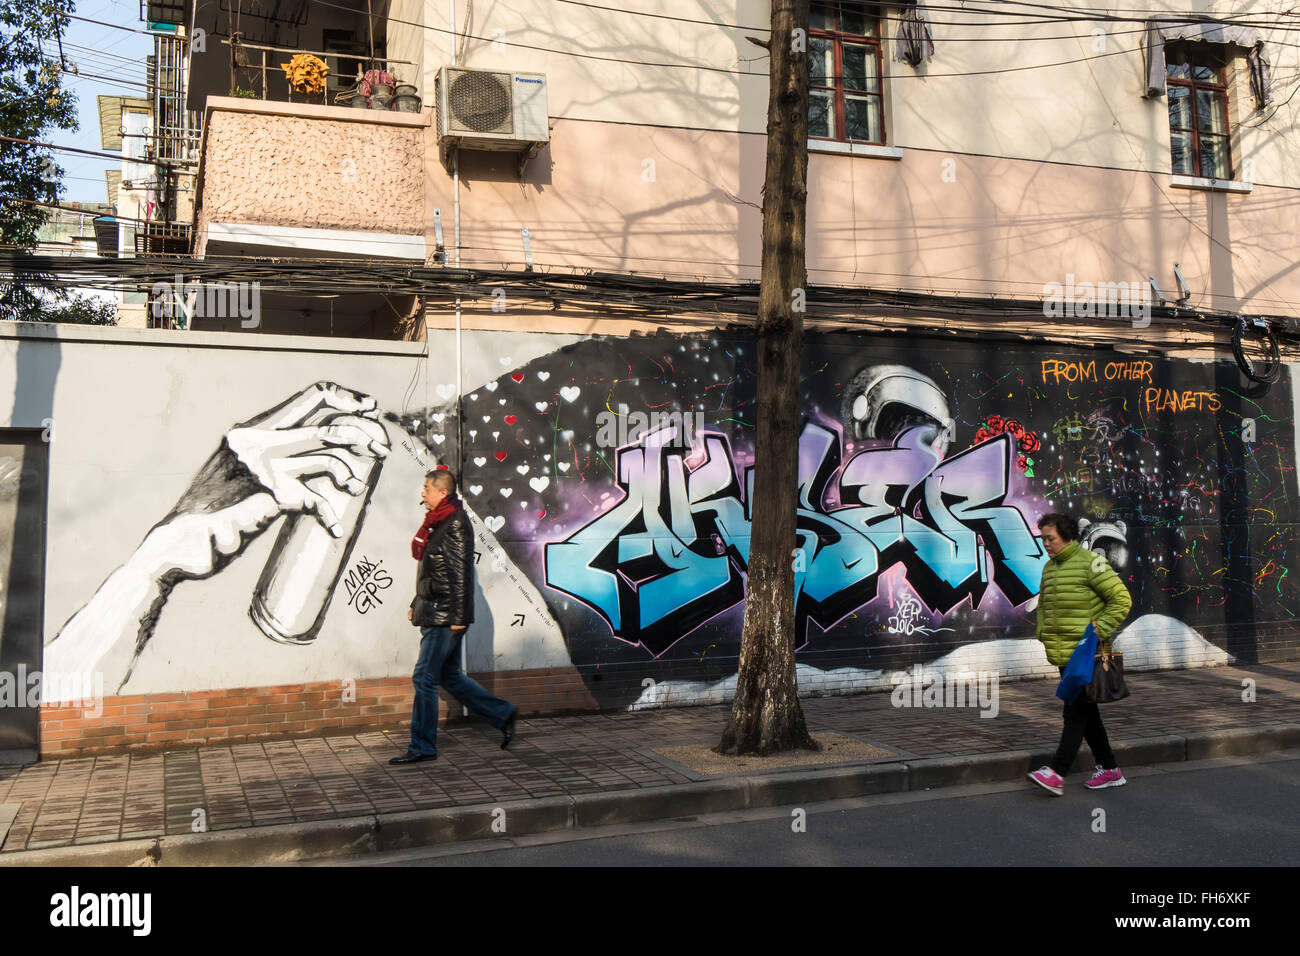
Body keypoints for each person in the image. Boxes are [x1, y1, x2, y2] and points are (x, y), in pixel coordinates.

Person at [391, 470, 518, 764]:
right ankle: (502, 713)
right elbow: (434, 571)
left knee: (424, 677)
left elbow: (461, 572)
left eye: (426, 488)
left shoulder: (455, 522)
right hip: (435, 609)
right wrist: (417, 601)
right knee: (448, 676)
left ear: (441, 492)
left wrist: (458, 616)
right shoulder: (436, 523)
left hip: (446, 616)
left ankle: (422, 746)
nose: (422, 493)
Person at [1028, 512, 1132, 795]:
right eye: (1043, 538)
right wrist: (1043, 633)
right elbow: (1046, 607)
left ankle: (1057, 772)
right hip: (1064, 653)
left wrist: (1099, 629)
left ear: (1068, 535)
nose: (1046, 543)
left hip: (1086, 653)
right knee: (1086, 713)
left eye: (1050, 538)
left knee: (1075, 713)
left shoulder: (1091, 563)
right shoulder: (1050, 567)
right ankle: (1110, 768)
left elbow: (1121, 600)